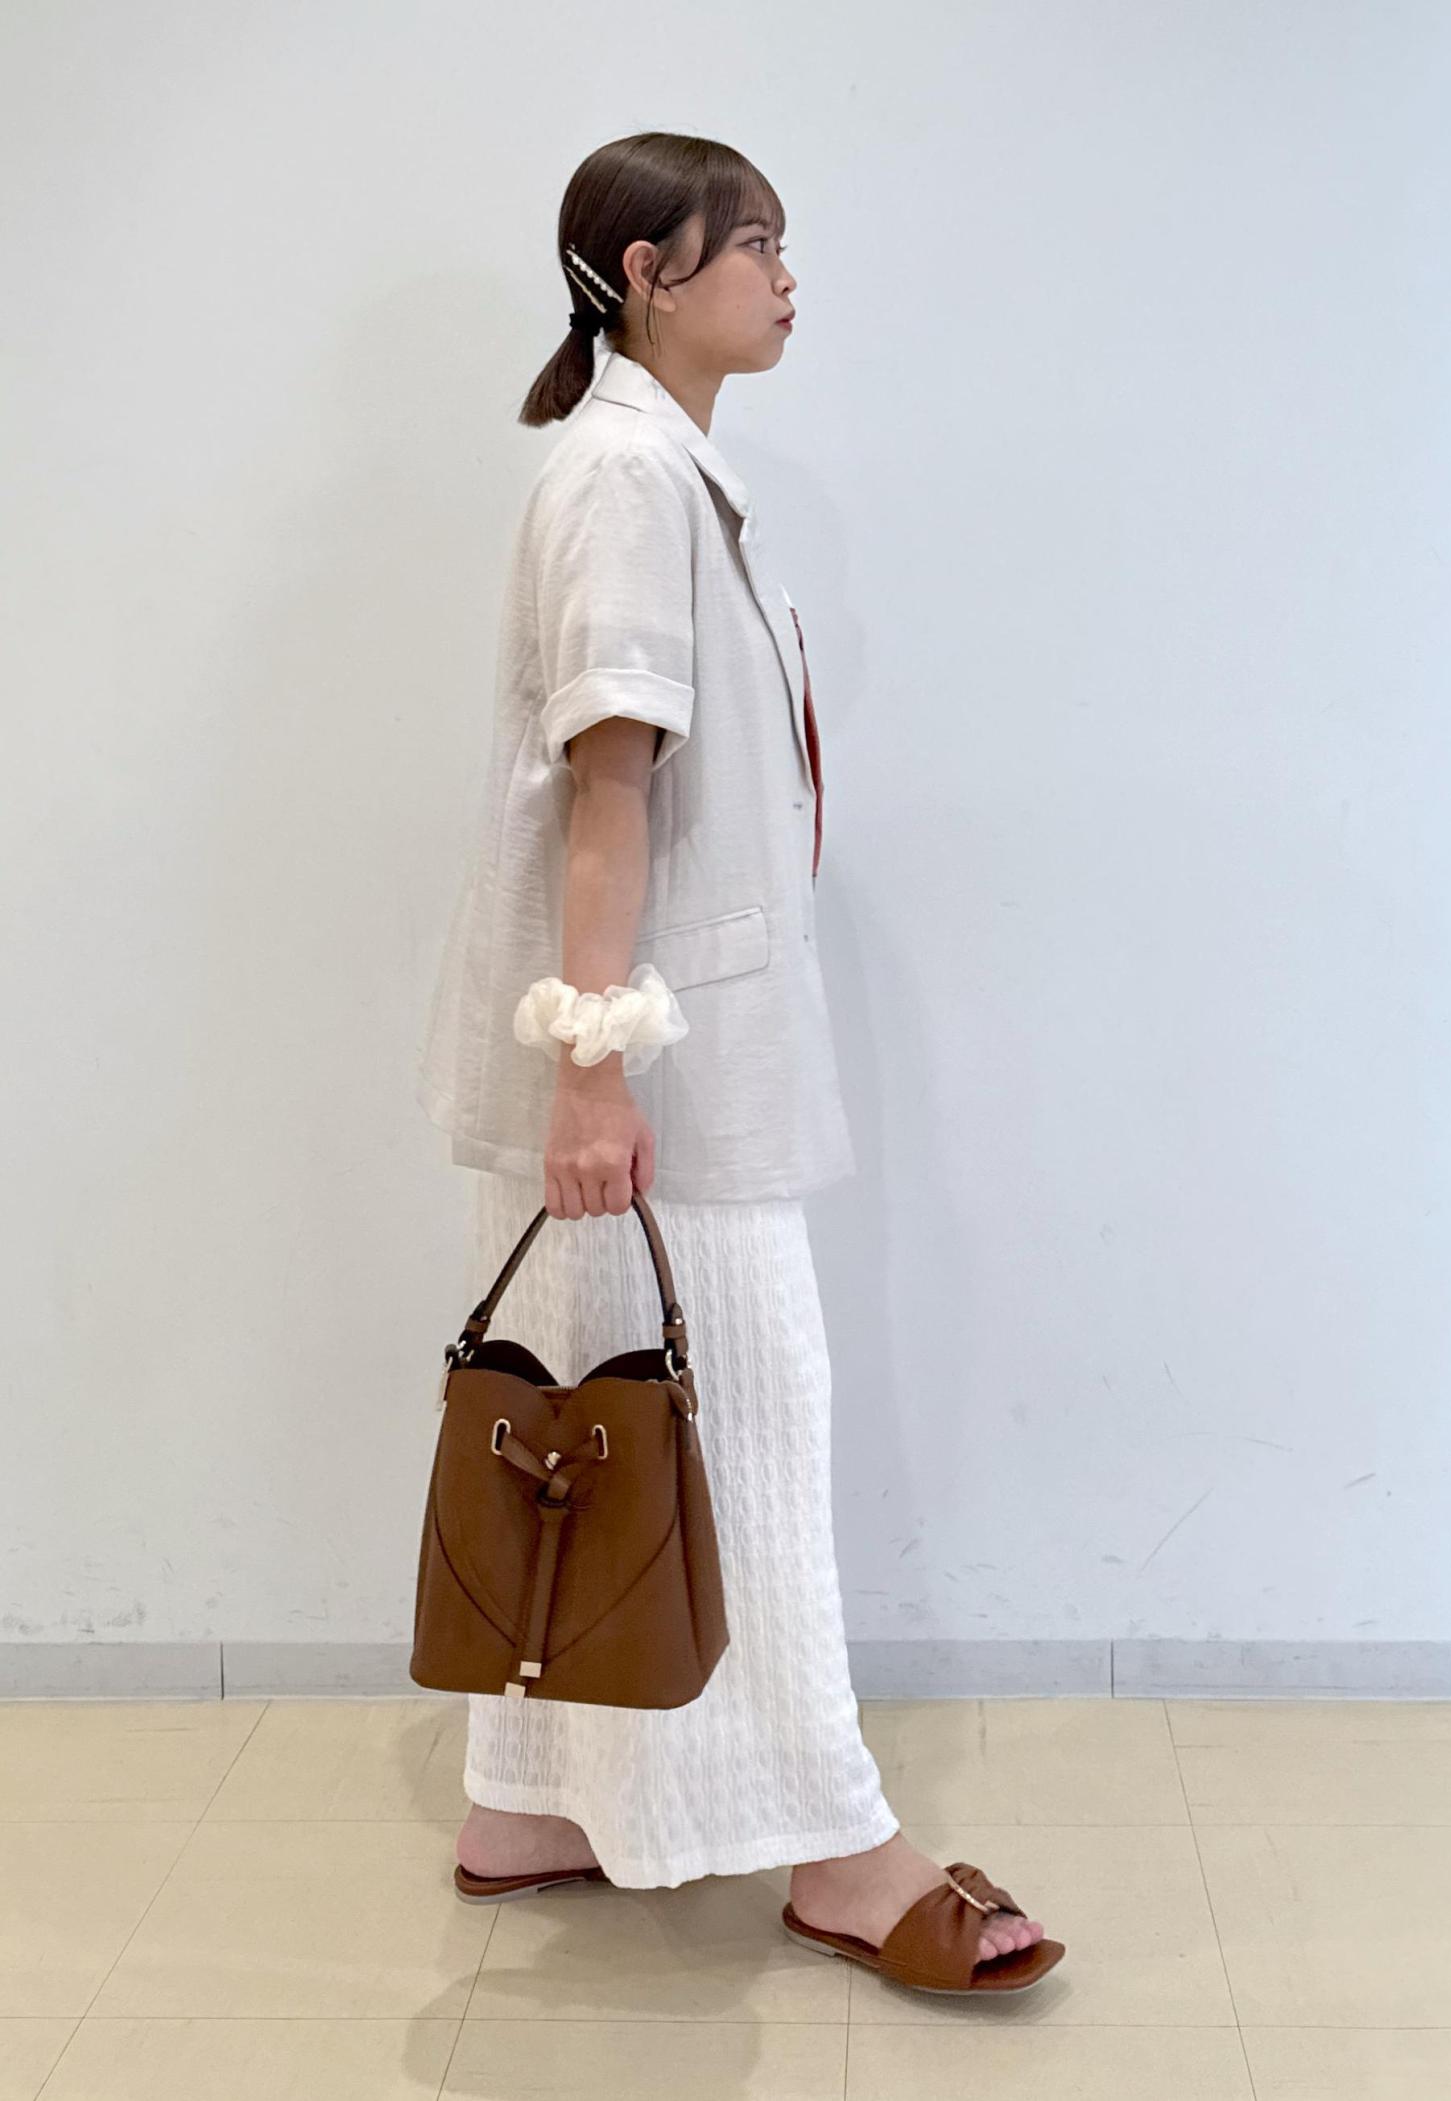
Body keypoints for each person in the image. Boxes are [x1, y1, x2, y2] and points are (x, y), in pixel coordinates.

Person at [415, 129, 1058, 1988]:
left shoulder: (662, 471)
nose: (789, 276)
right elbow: (607, 784)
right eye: (755, 243)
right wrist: (591, 1063)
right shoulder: (627, 476)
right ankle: (842, 1845)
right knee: (737, 1430)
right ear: (647, 273)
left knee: (598, 1419)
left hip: (658, 1059)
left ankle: (529, 1804)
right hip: (648, 1076)